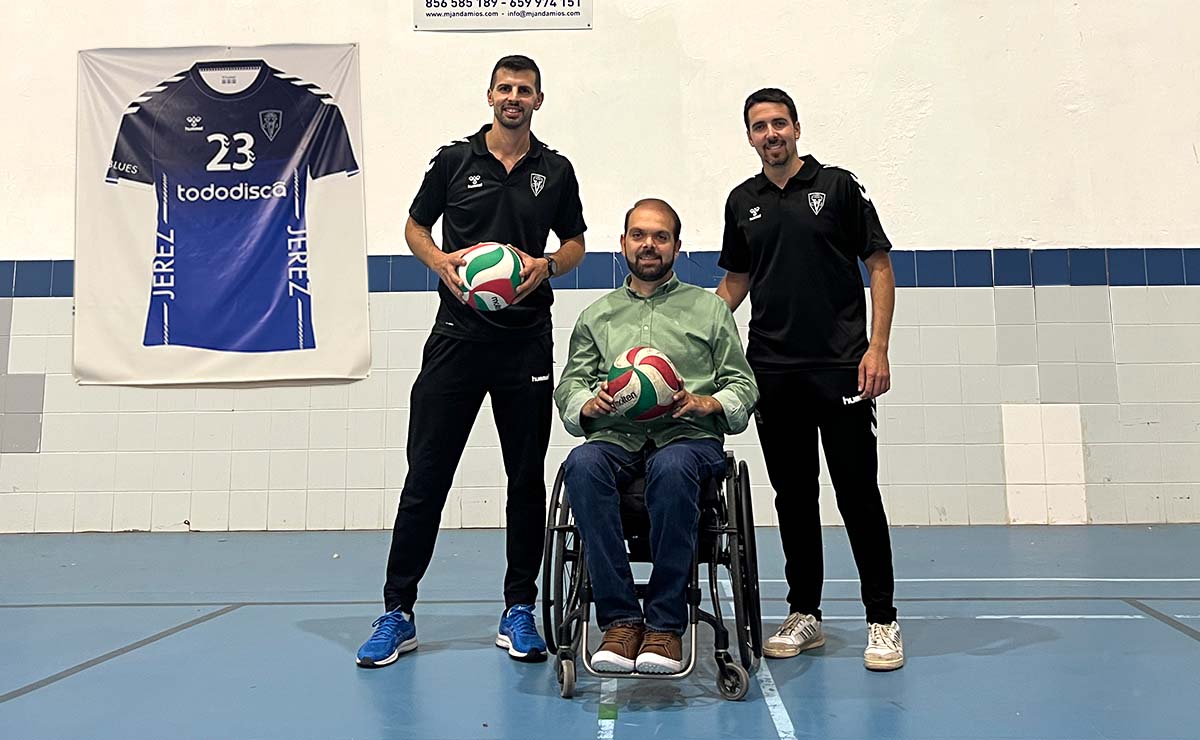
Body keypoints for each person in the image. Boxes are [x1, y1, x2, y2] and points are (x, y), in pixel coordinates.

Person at [356, 55, 587, 668]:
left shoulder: (555, 170)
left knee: (524, 480)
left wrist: (547, 266)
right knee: (426, 478)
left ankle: (518, 610)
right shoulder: (455, 161)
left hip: (526, 342)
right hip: (456, 339)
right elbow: (414, 226)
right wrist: (438, 263)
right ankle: (397, 612)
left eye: (525, 90)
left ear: (540, 100)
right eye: (505, 88)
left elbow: (575, 243)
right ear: (490, 95)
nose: (514, 98)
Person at [716, 88, 904, 671]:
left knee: (857, 495)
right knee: (793, 498)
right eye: (758, 127)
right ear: (749, 137)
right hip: (772, 371)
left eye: (779, 124)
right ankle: (806, 614)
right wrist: (687, 331)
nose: (770, 134)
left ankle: (883, 620)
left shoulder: (839, 187)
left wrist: (877, 348)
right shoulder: (741, 201)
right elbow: (734, 286)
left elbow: (879, 266)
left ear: (797, 127)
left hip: (842, 367)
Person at [554, 198, 758, 674]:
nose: (649, 245)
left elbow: (743, 385)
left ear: (677, 247)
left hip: (688, 441)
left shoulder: (709, 310)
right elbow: (570, 383)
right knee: (581, 465)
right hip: (617, 439)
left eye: (660, 236)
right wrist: (585, 403)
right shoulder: (596, 317)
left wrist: (709, 403)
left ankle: (665, 626)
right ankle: (622, 622)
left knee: (672, 465)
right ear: (623, 244)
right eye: (640, 235)